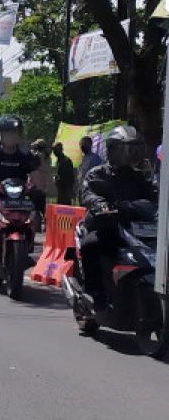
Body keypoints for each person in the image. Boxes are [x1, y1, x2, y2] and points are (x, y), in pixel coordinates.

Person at [78, 126, 156, 303]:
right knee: (91, 245)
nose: (131, 155)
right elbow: (88, 194)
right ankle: (95, 293)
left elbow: (153, 196)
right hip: (106, 224)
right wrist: (100, 204)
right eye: (126, 149)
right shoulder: (97, 173)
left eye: (135, 149)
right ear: (113, 150)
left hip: (135, 228)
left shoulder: (140, 176)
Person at [0, 116, 39, 266]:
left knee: (34, 217)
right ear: (1, 135)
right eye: (9, 133)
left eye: (15, 133)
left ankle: (27, 250)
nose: (12, 137)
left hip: (19, 198)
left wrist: (38, 187)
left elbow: (35, 175)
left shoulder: (24, 155)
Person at [28, 139, 53, 229]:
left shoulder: (37, 156)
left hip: (35, 183)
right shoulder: (48, 157)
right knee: (42, 206)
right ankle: (47, 225)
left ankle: (37, 226)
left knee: (34, 206)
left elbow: (32, 167)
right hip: (44, 184)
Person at [77, 135, 102, 203]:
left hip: (90, 192)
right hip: (81, 190)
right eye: (81, 144)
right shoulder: (82, 158)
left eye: (84, 144)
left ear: (90, 145)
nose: (82, 146)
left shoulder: (96, 159)